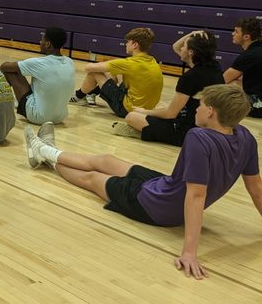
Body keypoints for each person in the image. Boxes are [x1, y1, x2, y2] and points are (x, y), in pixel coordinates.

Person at [25, 84, 262, 280]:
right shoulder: (245, 136)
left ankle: (45, 155)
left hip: (159, 206)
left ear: (210, 111)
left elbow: (196, 195)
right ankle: (47, 151)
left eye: (199, 105)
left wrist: (189, 252)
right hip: (168, 186)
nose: (195, 110)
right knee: (106, 159)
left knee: (94, 178)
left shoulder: (199, 137)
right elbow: (256, 189)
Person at [113, 30, 224, 145]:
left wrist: (145, 111)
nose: (180, 48)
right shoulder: (215, 67)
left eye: (184, 45)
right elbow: (175, 47)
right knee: (161, 107)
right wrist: (194, 34)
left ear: (191, 52)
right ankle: (148, 130)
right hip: (208, 126)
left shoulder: (190, 77)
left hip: (187, 131)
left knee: (132, 116)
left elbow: (170, 114)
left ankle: (146, 132)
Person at [69, 27, 163, 117]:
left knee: (94, 72)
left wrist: (103, 66)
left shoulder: (129, 63)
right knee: (115, 73)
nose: (126, 44)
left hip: (127, 110)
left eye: (128, 42)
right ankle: (92, 93)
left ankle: (78, 96)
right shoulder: (152, 61)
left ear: (135, 45)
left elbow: (88, 68)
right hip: (147, 110)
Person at [0, 27, 74, 125]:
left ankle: (1, 102)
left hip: (39, 117)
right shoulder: (70, 62)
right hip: (60, 117)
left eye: (42, 39)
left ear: (48, 44)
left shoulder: (39, 63)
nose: (40, 42)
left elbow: (4, 67)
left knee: (11, 71)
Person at [223, 17, 262, 118]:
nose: (233, 34)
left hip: (257, 107)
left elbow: (221, 80)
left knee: (223, 92)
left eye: (236, 32)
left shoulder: (249, 56)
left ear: (246, 37)